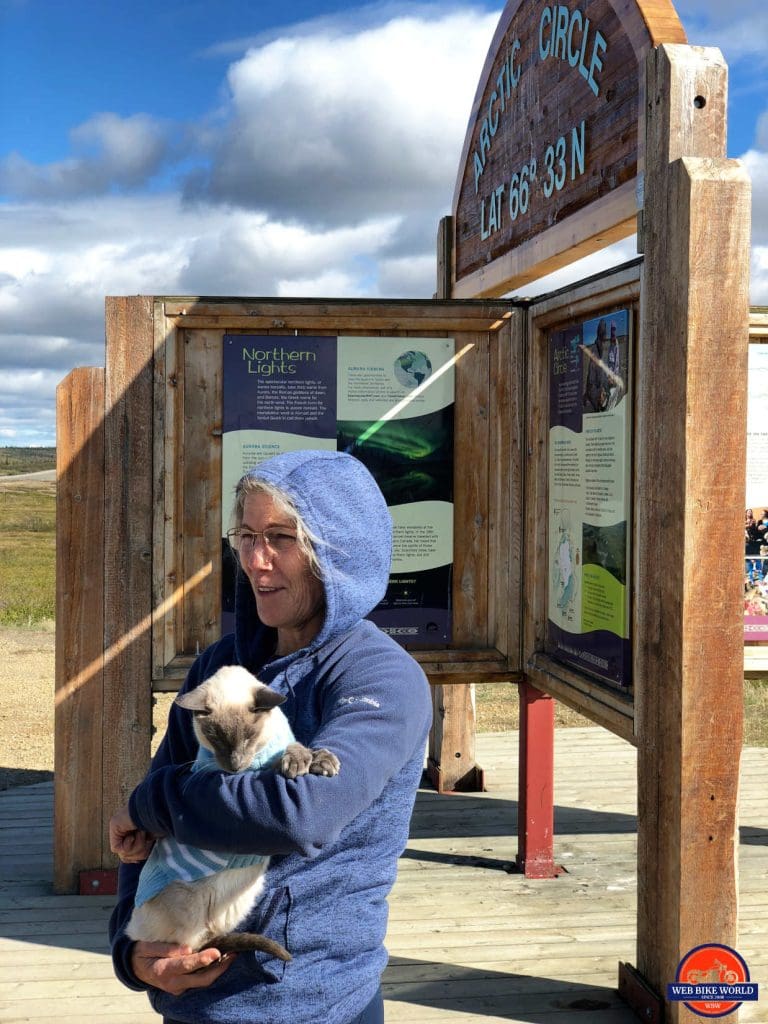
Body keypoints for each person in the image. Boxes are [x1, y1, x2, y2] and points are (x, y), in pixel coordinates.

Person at [108, 450, 433, 1024]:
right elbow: (153, 837)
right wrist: (134, 951)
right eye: (247, 535)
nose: (257, 561)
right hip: (190, 999)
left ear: (339, 551)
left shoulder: (381, 677)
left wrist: (149, 804)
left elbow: (300, 812)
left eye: (282, 537)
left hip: (312, 1000)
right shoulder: (221, 665)